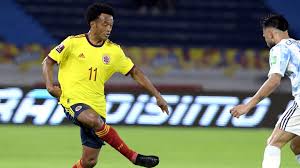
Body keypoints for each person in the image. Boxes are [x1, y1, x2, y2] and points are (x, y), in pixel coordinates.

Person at [42, 3, 169, 168]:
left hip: (98, 106)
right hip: (72, 100)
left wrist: (157, 96)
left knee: (89, 162)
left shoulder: (114, 51)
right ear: (93, 24)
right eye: (105, 24)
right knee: (93, 120)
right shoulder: (73, 43)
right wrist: (49, 86)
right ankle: (133, 157)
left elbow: (135, 73)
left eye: (111, 25)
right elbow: (48, 62)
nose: (109, 29)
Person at [230, 15, 300, 168]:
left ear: (270, 33)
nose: (264, 39)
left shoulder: (279, 49)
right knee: (297, 145)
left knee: (273, 144)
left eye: (264, 35)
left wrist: (247, 106)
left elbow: (274, 80)